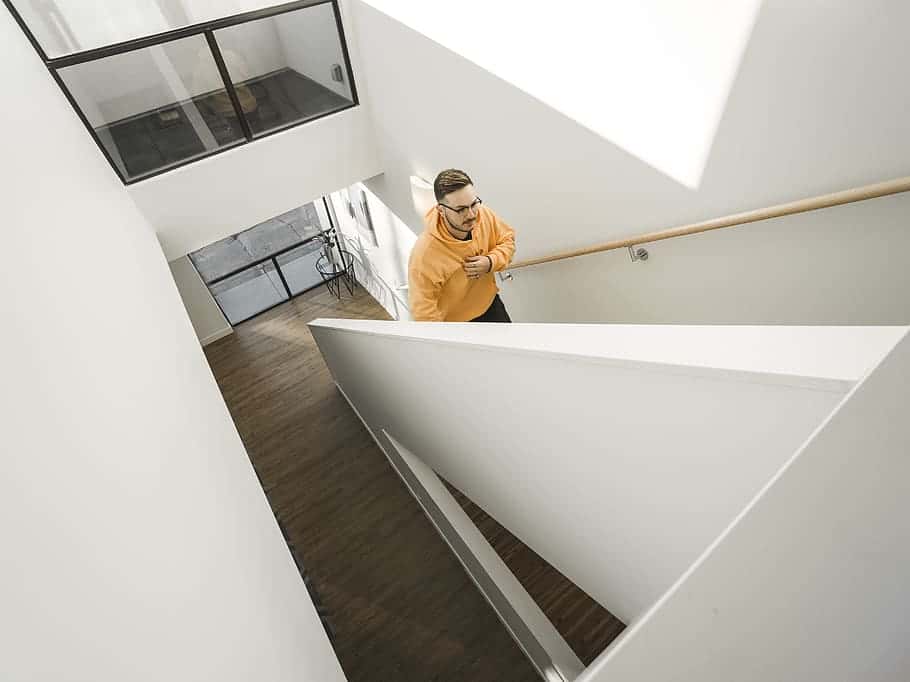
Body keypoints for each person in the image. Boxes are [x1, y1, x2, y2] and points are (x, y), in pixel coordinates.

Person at [408, 169, 515, 322]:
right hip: (457, 325)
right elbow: (424, 312)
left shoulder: (482, 214)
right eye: (461, 210)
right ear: (441, 210)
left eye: (473, 204)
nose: (471, 214)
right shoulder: (424, 255)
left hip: (491, 306)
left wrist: (490, 261)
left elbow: (507, 239)